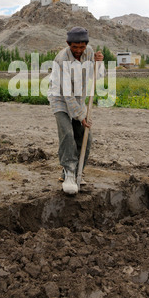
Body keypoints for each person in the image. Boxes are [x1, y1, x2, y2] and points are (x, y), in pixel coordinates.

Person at [48, 26, 104, 195]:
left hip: (79, 99)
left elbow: (99, 76)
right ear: (68, 44)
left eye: (82, 47)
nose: (79, 51)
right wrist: (80, 116)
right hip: (59, 98)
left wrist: (99, 64)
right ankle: (69, 174)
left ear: (86, 45)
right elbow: (66, 93)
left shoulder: (89, 53)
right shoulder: (61, 59)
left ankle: (78, 170)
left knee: (85, 136)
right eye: (75, 47)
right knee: (67, 134)